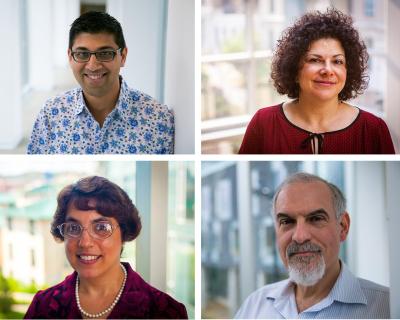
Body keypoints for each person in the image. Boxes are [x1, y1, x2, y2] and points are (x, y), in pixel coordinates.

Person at [24, 176, 187, 319]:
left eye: (101, 228)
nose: (85, 242)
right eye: (73, 228)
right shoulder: (42, 306)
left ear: (124, 233)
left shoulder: (165, 312)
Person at [239, 8, 395, 154]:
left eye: (337, 61)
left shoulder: (373, 129)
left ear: (349, 70)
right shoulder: (263, 123)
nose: (328, 70)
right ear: (294, 68)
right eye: (315, 60)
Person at [235, 172, 390, 319]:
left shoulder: (387, 307)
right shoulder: (255, 306)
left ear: (343, 227)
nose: (300, 237)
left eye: (316, 219)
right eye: (287, 221)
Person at [27, 11, 174, 154]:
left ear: (122, 56)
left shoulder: (159, 119)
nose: (93, 65)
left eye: (104, 53)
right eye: (82, 54)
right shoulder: (51, 114)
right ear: (70, 57)